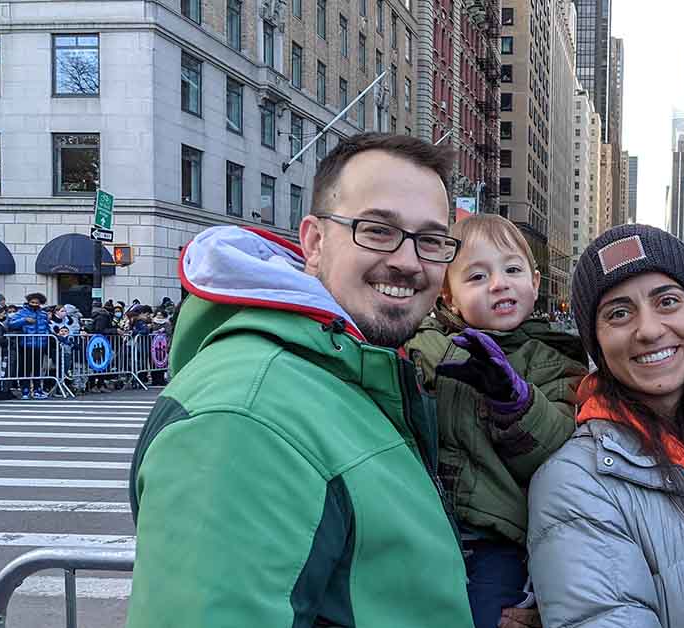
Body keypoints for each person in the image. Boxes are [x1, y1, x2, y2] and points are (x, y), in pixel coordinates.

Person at [127, 134, 479, 627]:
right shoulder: (244, 419)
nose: (408, 260)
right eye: (378, 230)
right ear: (314, 242)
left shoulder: (351, 371)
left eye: (432, 240)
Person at [527, 224, 684, 628]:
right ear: (596, 340)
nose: (648, 330)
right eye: (619, 313)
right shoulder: (574, 482)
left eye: (667, 301)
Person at [403, 214, 588, 628]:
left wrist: (514, 400)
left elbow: (555, 452)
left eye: (512, 269)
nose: (499, 283)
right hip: (421, 533)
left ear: (535, 283)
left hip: (497, 543)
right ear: (448, 297)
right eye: (477, 276)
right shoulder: (423, 347)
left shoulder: (553, 358)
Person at [8, 293, 52, 400]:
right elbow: (11, 324)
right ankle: (25, 390)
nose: (34, 304)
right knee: (25, 368)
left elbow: (47, 328)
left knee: (37, 368)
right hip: (26, 345)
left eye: (37, 303)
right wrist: (24, 320)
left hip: (40, 345)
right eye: (32, 302)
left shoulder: (43, 314)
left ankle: (37, 389)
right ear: (28, 302)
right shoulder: (22, 312)